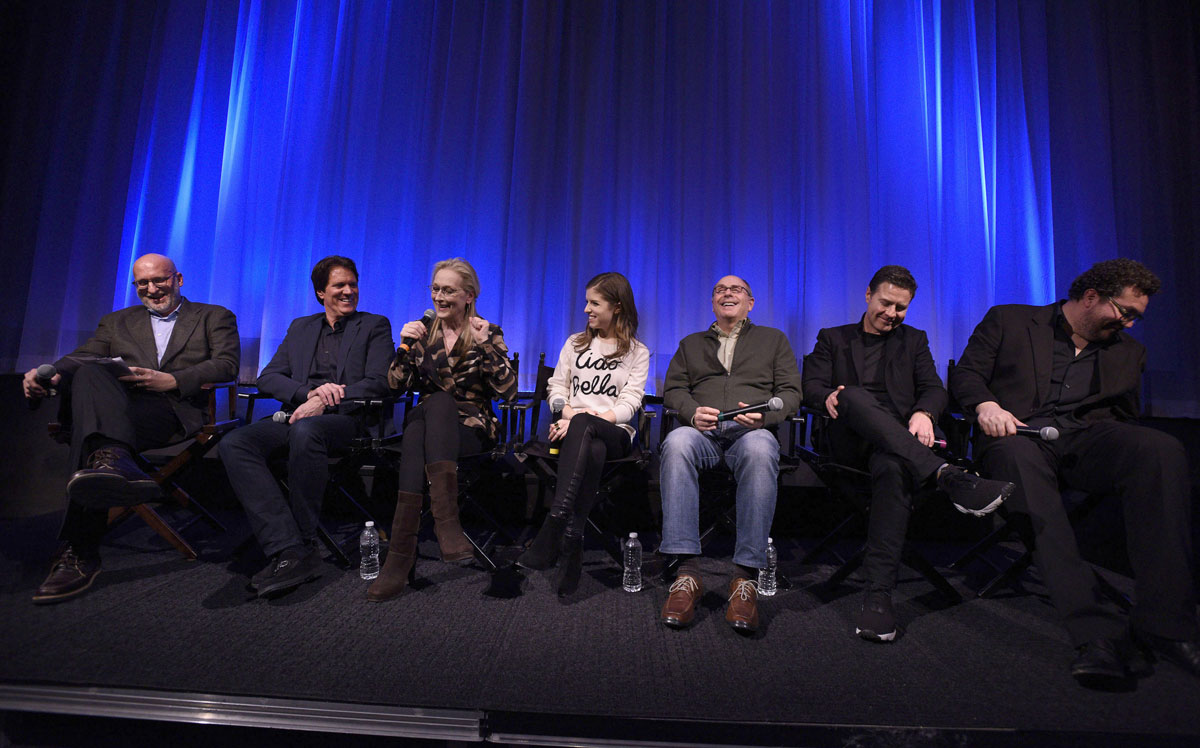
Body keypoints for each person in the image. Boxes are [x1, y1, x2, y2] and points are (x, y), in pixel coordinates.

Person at [949, 258, 1198, 690]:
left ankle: (1166, 624)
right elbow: (968, 375)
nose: (1130, 325)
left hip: (1086, 441)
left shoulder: (1129, 352)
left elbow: (1125, 418)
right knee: (1021, 462)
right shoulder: (1010, 319)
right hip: (1017, 435)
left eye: (1137, 317)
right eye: (1125, 313)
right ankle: (1095, 633)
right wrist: (985, 405)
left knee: (1160, 450)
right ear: (1090, 297)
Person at [802, 265, 1013, 642]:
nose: (891, 313)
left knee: (894, 467)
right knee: (851, 394)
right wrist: (828, 396)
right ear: (868, 295)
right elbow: (811, 387)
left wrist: (924, 412)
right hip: (848, 443)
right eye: (885, 303)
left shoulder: (913, 340)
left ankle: (878, 599)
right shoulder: (832, 338)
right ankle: (947, 475)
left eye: (901, 308)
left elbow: (934, 388)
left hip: (898, 447)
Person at [26, 253, 240, 604]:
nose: (153, 289)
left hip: (175, 412)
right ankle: (112, 462)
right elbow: (81, 356)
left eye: (160, 280)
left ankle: (79, 551)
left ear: (179, 279)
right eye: (143, 283)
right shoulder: (116, 321)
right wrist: (45, 372)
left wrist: (173, 379)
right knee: (90, 372)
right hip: (123, 412)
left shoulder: (213, 316)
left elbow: (227, 364)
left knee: (90, 434)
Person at [219, 256, 392, 598]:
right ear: (320, 293)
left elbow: (379, 382)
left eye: (352, 285)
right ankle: (289, 547)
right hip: (298, 414)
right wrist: (307, 394)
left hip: (348, 422)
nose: (348, 291)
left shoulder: (374, 325)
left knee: (306, 432)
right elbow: (268, 376)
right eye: (339, 285)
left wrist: (328, 400)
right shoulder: (301, 327)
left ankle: (304, 540)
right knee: (235, 442)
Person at [366, 258, 517, 602]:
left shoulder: (486, 331)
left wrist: (487, 348)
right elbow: (394, 385)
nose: (438, 296)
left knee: (434, 408)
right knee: (427, 413)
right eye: (435, 288)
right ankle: (446, 524)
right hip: (426, 428)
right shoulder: (422, 332)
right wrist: (403, 346)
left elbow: (507, 391)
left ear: (469, 295)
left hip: (469, 428)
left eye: (448, 290)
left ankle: (398, 560)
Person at [657, 275, 802, 633]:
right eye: (720, 290)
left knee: (760, 448)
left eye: (736, 290)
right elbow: (673, 390)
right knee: (676, 443)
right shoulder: (690, 344)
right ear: (712, 304)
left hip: (750, 432)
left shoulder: (773, 340)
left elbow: (791, 393)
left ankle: (745, 579)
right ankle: (686, 573)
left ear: (750, 303)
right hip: (701, 432)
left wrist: (765, 416)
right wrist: (692, 411)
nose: (727, 293)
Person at [516, 272, 650, 596]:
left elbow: (630, 402)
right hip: (575, 434)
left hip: (615, 432)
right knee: (592, 451)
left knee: (592, 435)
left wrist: (581, 419)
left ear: (616, 307)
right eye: (586, 302)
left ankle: (555, 521)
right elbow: (557, 387)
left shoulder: (636, 351)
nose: (587, 309)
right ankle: (572, 541)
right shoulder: (574, 344)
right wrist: (567, 413)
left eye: (595, 303)